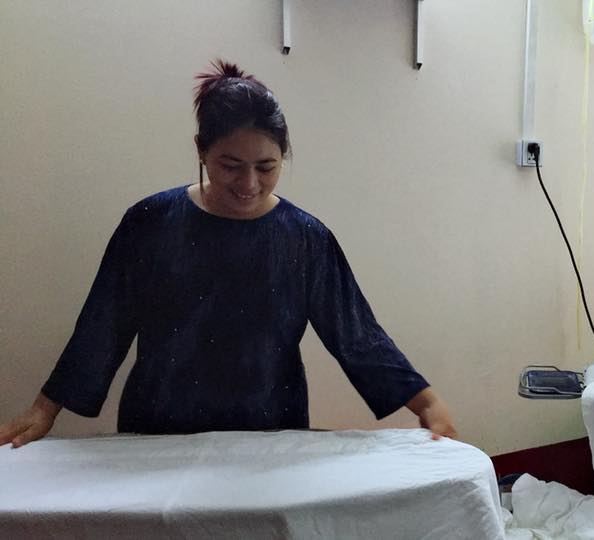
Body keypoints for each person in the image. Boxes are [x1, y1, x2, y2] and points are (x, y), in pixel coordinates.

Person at [0, 60, 456, 448]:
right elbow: (103, 323)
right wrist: (45, 410)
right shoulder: (150, 222)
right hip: (158, 431)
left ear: (284, 156)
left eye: (267, 167)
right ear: (201, 151)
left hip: (269, 430)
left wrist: (427, 403)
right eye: (230, 166)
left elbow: (356, 334)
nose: (249, 184)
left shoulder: (305, 238)